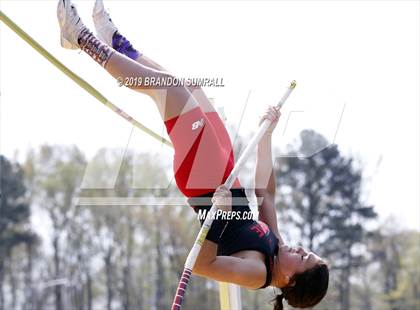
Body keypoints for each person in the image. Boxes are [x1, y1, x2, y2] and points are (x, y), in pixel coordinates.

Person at [57, 1, 329, 308]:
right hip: (226, 173)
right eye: (308, 250)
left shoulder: (257, 273)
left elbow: (203, 265)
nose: (302, 249)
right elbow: (265, 193)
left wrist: (221, 214)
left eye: (304, 258)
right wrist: (267, 135)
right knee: (188, 88)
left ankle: (81, 39)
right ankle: (113, 40)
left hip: (206, 183)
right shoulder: (276, 246)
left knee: (168, 90)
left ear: (291, 280)